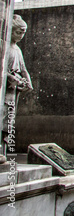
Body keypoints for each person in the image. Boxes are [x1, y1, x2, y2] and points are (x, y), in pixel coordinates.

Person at [1, 15, 32, 161]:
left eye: (23, 33)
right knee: (2, 117)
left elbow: (23, 68)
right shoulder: (3, 46)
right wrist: (11, 78)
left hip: (13, 91)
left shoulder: (17, 50)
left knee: (9, 119)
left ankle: (3, 149)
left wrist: (27, 81)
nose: (21, 36)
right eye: (18, 32)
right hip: (5, 89)